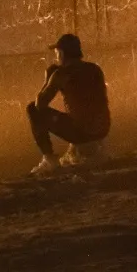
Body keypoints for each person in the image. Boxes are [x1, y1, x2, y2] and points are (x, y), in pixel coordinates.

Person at [26, 33, 110, 174]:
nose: (56, 56)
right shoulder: (94, 68)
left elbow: (40, 104)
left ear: (63, 53)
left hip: (83, 132)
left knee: (32, 109)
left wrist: (48, 80)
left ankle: (49, 159)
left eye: (57, 52)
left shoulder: (62, 74)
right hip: (102, 129)